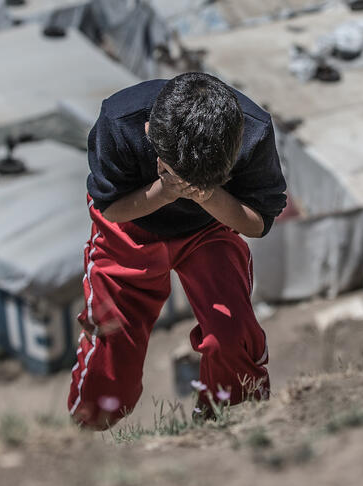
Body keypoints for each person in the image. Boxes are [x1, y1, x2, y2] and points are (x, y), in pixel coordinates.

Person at [68, 72, 287, 429]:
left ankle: (226, 423)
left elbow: (258, 223)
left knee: (232, 336)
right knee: (111, 355)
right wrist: (167, 191)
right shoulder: (120, 121)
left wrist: (207, 195)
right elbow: (111, 209)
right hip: (129, 228)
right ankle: (88, 433)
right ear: (149, 132)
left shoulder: (254, 131)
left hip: (210, 227)